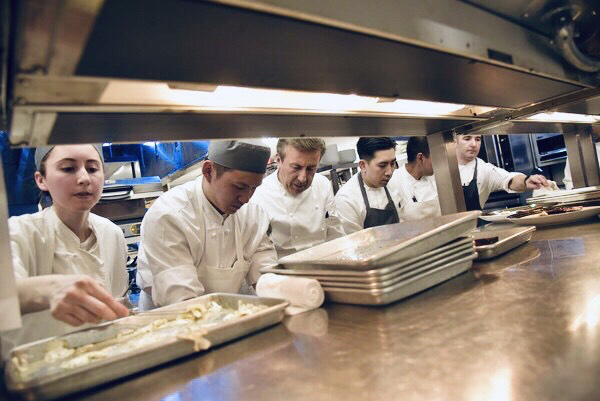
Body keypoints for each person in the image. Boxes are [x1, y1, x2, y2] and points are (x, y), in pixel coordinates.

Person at [3, 144, 129, 352]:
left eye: (92, 168)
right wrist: (49, 290)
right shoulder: (18, 232)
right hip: (38, 368)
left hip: (105, 357)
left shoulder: (111, 233)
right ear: (40, 180)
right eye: (68, 168)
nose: (84, 179)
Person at [136, 140, 277, 310]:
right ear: (208, 171)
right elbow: (181, 298)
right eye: (239, 187)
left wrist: (280, 293)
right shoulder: (169, 215)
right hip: (169, 322)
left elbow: (265, 271)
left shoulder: (254, 215)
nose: (246, 198)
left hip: (225, 316)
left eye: (253, 188)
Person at [250, 138, 344, 259]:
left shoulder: (323, 184)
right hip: (282, 272)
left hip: (324, 264)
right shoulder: (259, 194)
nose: (303, 178)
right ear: (278, 160)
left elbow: (334, 233)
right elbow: (260, 254)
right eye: (296, 167)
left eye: (311, 169)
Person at [455, 134, 549, 210]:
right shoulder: (441, 168)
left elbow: (509, 179)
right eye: (467, 139)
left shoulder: (484, 169)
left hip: (471, 230)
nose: (474, 144)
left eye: (478, 139)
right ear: (454, 141)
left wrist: (526, 180)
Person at [334, 137, 402, 234]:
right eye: (382, 165)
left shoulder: (394, 183)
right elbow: (355, 244)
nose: (389, 172)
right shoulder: (346, 199)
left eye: (393, 163)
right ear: (363, 165)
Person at [391, 137, 441, 221]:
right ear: (420, 158)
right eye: (436, 157)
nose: (440, 161)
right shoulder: (394, 181)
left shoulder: (437, 176)